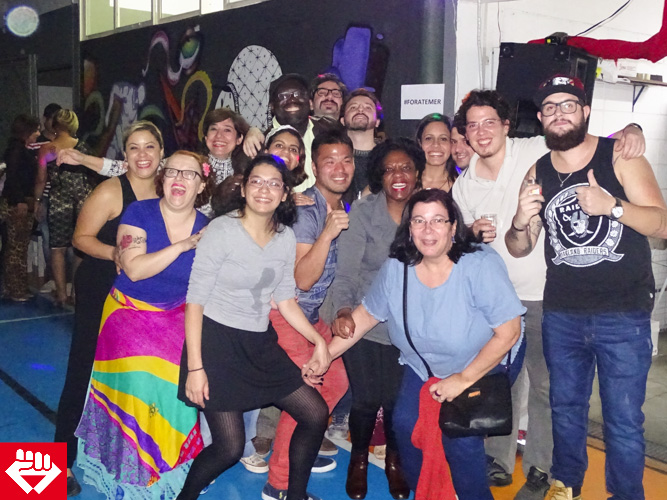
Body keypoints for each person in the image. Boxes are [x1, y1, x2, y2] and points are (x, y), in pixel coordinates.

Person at [451, 89, 646, 498]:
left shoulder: (533, 152)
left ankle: (541, 467)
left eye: (490, 122)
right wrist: (471, 233)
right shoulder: (463, 186)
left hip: (545, 297)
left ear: (507, 125)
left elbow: (579, 138)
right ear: (465, 134)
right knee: (502, 382)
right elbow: (463, 246)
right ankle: (500, 459)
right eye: (472, 125)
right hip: (497, 303)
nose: (481, 132)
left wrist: (632, 128)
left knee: (549, 391)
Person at [505, 74, 667, 500]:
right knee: (565, 410)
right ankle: (567, 485)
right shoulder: (537, 172)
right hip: (562, 314)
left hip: (623, 313)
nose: (559, 113)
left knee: (623, 420)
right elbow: (520, 247)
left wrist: (613, 207)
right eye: (550, 107)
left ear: (586, 111)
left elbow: (662, 223)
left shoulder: (620, 156)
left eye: (568, 105)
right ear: (541, 118)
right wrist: (520, 221)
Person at [328, 189, 525, 500]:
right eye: (419, 221)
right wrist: (325, 355)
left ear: (453, 226)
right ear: (409, 228)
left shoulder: (479, 264)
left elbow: (509, 332)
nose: (428, 229)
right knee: (406, 426)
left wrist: (463, 379)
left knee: (460, 437)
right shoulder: (398, 266)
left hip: (483, 360)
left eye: (437, 220)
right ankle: (429, 492)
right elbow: (365, 316)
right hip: (424, 364)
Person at [176, 154, 331, 500]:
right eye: (257, 181)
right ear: (244, 189)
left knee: (315, 413)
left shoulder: (285, 237)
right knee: (229, 447)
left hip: (259, 343)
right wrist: (196, 368)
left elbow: (285, 298)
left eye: (274, 184)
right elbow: (195, 301)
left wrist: (318, 341)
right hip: (216, 345)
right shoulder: (222, 230)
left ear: (285, 194)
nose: (264, 190)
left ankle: (295, 495)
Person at [75, 150, 213, 499]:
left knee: (175, 397)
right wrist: (183, 246)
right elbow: (134, 269)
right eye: (173, 172)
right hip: (127, 315)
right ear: (162, 179)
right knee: (138, 390)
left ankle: (168, 473)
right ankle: (131, 475)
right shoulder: (139, 212)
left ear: (201, 185)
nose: (180, 179)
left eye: (190, 174)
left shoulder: (210, 228)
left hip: (177, 320)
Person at [53, 121, 165, 496]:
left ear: (161, 153)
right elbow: (80, 238)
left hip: (143, 293)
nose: (142, 155)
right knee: (82, 370)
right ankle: (58, 463)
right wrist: (114, 253)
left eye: (149, 147)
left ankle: (126, 456)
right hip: (102, 288)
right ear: (125, 155)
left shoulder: (169, 188)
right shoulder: (111, 190)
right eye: (134, 148)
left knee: (133, 376)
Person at [261, 131, 353, 500]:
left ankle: (303, 446)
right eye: (329, 161)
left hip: (308, 314)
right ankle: (280, 483)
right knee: (311, 393)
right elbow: (302, 278)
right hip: (285, 315)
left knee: (335, 380)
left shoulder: (340, 207)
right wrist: (327, 234)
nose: (339, 168)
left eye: (346, 160)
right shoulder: (307, 212)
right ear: (315, 167)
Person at [330, 138, 423, 500]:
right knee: (367, 400)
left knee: (396, 403)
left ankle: (395, 460)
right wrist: (342, 310)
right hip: (364, 320)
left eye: (405, 168)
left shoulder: (429, 210)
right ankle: (358, 459)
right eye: (389, 169)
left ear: (417, 173)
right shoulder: (364, 212)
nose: (398, 175)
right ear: (380, 176)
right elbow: (346, 273)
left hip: (410, 325)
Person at [35, 109, 95, 306]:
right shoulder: (84, 147)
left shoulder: (47, 149)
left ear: (55, 125)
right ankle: (77, 293)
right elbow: (92, 174)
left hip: (59, 200)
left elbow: (41, 179)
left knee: (57, 248)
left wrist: (37, 201)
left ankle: (61, 294)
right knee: (80, 246)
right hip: (83, 199)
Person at [242, 74, 339, 191]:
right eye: (283, 96)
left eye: (298, 94)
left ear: (310, 103)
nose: (292, 99)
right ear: (272, 106)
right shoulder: (257, 145)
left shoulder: (330, 130)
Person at [0, 114, 40, 301]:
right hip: (18, 203)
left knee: (16, 246)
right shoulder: (17, 151)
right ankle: (16, 289)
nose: (38, 134)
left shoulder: (16, 149)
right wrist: (20, 201)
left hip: (17, 201)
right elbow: (14, 177)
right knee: (17, 247)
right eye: (35, 130)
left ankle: (14, 286)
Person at [339, 89, 383, 204]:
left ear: (377, 121)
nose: (360, 110)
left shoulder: (387, 157)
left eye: (368, 108)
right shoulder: (333, 156)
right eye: (353, 107)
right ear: (342, 120)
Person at [415, 113, 458, 191]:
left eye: (443, 139)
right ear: (420, 143)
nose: (436, 144)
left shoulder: (461, 186)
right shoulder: (407, 181)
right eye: (429, 138)